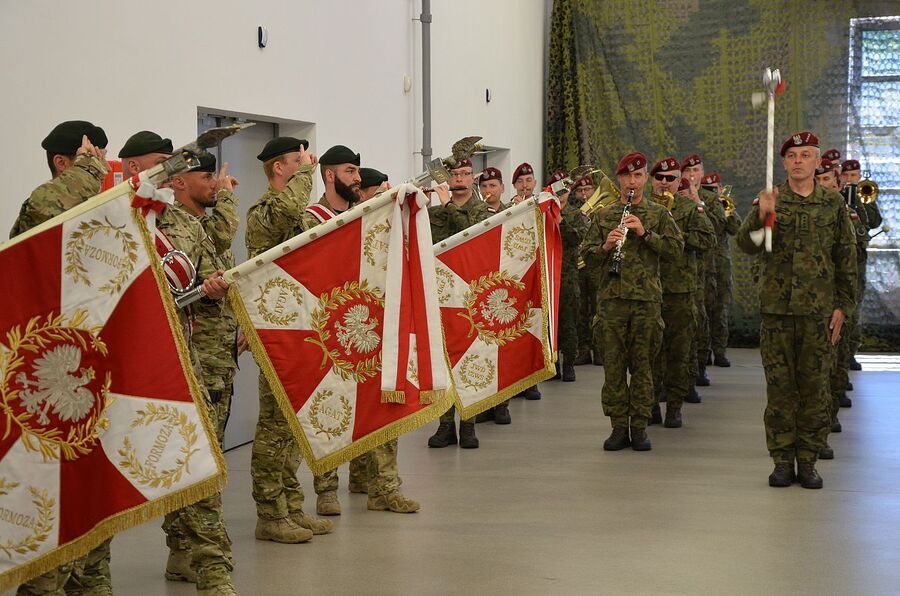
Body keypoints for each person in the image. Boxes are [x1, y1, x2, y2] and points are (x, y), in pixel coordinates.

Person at [12, 121, 113, 596]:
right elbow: (52, 208)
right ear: (63, 163)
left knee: (93, 488)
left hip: (89, 370)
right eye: (92, 157)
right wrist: (91, 170)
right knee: (50, 491)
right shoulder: (43, 206)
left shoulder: (94, 215)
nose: (101, 167)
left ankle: (92, 583)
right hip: (43, 381)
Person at [736, 131, 856, 489]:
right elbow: (747, 245)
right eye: (792, 156)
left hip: (818, 313)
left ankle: (808, 461)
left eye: (805, 155)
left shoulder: (832, 204)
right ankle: (782, 461)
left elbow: (845, 258)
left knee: (816, 388)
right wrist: (761, 215)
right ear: (784, 162)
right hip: (777, 312)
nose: (799, 161)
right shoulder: (772, 199)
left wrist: (843, 306)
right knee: (780, 390)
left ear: (817, 161)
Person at [308, 154, 420, 515]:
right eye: (350, 171)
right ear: (330, 175)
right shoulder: (311, 219)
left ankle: (385, 487)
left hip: (370, 324)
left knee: (384, 403)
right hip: (328, 329)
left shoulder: (368, 216)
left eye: (357, 171)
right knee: (328, 409)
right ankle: (326, 490)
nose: (357, 178)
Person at [155, 152, 239, 595]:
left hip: (216, 355)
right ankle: (192, 553)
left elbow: (220, 245)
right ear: (179, 183)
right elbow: (187, 285)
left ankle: (183, 551)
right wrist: (208, 289)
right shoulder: (172, 226)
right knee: (195, 456)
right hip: (194, 357)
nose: (214, 183)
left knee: (209, 452)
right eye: (206, 177)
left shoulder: (200, 225)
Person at [245, 136, 333, 542]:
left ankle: (292, 506)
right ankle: (270, 513)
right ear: (278, 168)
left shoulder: (300, 217)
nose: (307, 166)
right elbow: (287, 209)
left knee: (294, 425)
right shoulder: (265, 213)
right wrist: (309, 172)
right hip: (274, 329)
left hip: (303, 329)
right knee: (273, 427)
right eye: (298, 161)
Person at [580, 151, 683, 451]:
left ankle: (639, 426)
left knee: (643, 367)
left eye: (638, 176)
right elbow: (585, 258)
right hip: (611, 303)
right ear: (619, 179)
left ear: (646, 178)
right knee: (613, 369)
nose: (632, 182)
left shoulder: (659, 214)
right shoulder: (603, 216)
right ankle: (617, 427)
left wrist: (645, 233)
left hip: (645, 302)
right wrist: (605, 246)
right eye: (627, 176)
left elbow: (676, 252)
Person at [427, 158, 492, 448]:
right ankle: (444, 425)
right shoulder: (435, 212)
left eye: (465, 174)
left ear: (473, 178)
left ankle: (468, 424)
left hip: (470, 294)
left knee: (469, 359)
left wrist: (448, 205)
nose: (459, 179)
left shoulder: (481, 209)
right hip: (440, 294)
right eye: (454, 174)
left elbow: (470, 233)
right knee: (442, 359)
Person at [648, 158, 715, 428]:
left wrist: (675, 238)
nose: (664, 182)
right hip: (647, 290)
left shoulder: (690, 208)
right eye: (660, 177)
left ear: (679, 182)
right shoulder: (642, 207)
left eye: (671, 178)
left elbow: (708, 240)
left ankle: (674, 407)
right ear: (652, 179)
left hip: (680, 292)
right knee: (648, 353)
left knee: (678, 352)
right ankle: (650, 405)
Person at [682, 154, 725, 385]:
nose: (692, 175)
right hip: (681, 270)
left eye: (696, 170)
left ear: (702, 172)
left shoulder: (710, 198)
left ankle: (700, 366)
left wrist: (698, 202)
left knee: (702, 317)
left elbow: (719, 227)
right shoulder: (675, 196)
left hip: (707, 268)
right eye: (687, 171)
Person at [840, 158, 883, 371]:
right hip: (838, 259)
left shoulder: (864, 195)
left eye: (853, 175)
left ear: (859, 176)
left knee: (855, 307)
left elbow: (875, 222)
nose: (850, 179)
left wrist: (865, 201)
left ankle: (850, 353)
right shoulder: (834, 196)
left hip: (857, 260)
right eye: (846, 175)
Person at [700, 171, 742, 367]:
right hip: (703, 263)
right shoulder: (699, 206)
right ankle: (704, 352)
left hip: (721, 265)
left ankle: (720, 351)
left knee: (721, 309)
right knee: (703, 309)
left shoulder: (725, 204)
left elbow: (736, 228)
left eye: (714, 189)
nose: (711, 193)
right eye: (707, 189)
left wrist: (727, 208)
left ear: (720, 189)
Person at [555, 171, 589, 382]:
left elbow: (577, 238)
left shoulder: (576, 215)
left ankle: (568, 365)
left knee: (568, 323)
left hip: (567, 276)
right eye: (556, 189)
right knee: (551, 325)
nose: (560, 194)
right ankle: (553, 366)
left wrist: (561, 221)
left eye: (564, 190)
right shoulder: (542, 213)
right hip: (548, 276)